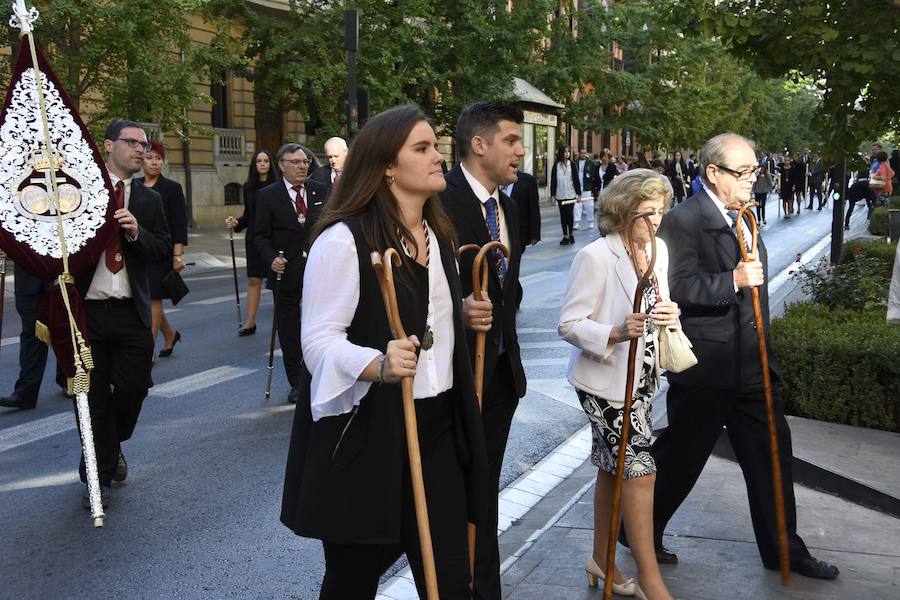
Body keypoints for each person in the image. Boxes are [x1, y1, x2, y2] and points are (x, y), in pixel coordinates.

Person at [280, 104, 489, 600]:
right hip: (370, 433)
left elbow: (425, 311)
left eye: (434, 146)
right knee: (353, 579)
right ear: (386, 166)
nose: (438, 156)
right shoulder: (343, 239)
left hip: (437, 426)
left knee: (451, 578)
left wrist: (459, 313)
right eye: (422, 148)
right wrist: (377, 364)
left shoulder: (437, 236)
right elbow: (319, 341)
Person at [646, 132, 839, 580]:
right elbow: (675, 288)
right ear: (713, 173)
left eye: (755, 170)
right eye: (742, 172)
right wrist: (730, 279)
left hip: (753, 366)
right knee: (681, 457)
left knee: (772, 456)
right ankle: (638, 527)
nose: (753, 179)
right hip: (708, 367)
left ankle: (785, 552)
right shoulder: (683, 220)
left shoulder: (746, 214)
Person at [559, 169, 680, 600]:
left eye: (660, 212)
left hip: (643, 378)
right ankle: (650, 579)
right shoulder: (595, 256)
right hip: (603, 382)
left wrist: (670, 313)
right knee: (640, 471)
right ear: (623, 213)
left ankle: (602, 562)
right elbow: (569, 324)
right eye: (646, 214)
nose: (655, 222)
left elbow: (660, 301)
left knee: (613, 469)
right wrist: (613, 331)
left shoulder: (657, 250)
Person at [441, 101, 528, 599]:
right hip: (454, 378)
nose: (520, 151)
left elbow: (506, 291)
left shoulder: (509, 206)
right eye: (511, 140)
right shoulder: (441, 200)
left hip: (499, 377)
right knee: (454, 493)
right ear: (480, 144)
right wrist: (458, 309)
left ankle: (484, 588)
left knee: (485, 491)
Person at [75, 120, 171, 508]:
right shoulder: (80, 192)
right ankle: (97, 477)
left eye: (144, 144)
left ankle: (109, 445)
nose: (140, 150)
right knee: (92, 397)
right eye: (132, 142)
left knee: (134, 389)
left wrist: (136, 233)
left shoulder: (149, 201)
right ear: (108, 145)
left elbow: (163, 251)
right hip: (87, 312)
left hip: (131, 312)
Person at [254, 143, 328, 404]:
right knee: (289, 329)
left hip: (318, 272)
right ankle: (296, 381)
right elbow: (259, 236)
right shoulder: (268, 196)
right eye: (295, 162)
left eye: (305, 161)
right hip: (285, 272)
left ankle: (320, 375)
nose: (302, 166)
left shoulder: (321, 191)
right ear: (282, 165)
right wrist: (271, 258)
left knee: (320, 326)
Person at [137, 140, 187, 357]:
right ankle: (170, 334)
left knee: (153, 298)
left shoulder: (172, 188)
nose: (154, 162)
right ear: (141, 161)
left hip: (161, 251)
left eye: (158, 158)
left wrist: (177, 256)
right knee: (147, 298)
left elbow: (179, 224)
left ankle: (147, 351)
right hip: (138, 250)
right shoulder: (134, 185)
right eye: (149, 158)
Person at [225, 149, 278, 336]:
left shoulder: (278, 185)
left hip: (274, 238)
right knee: (254, 279)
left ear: (270, 164)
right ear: (254, 165)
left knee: (276, 282)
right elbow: (249, 215)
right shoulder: (249, 187)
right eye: (259, 161)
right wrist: (236, 223)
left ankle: (281, 320)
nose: (262, 164)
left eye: (265, 160)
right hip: (254, 239)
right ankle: (250, 322)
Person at [0, 265, 51, 410]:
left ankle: (68, 380)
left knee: (66, 329)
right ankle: (25, 394)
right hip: (28, 276)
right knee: (31, 332)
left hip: (61, 274)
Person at [502, 169, 540, 308]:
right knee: (504, 266)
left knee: (512, 264)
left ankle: (513, 296)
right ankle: (512, 292)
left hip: (519, 233)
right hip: (499, 230)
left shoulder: (527, 180)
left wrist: (534, 234)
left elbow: (533, 208)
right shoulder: (495, 179)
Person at [550, 145, 581, 245]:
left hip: (571, 194)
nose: (567, 154)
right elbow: (553, 181)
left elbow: (576, 180)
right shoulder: (556, 165)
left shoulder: (572, 165)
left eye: (568, 152)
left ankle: (571, 234)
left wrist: (578, 194)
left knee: (570, 215)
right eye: (565, 152)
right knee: (563, 216)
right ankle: (565, 236)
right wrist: (552, 195)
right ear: (561, 153)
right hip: (560, 195)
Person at [574, 147, 596, 230]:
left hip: (587, 187)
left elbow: (594, 176)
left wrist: (593, 188)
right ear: (579, 153)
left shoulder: (591, 163)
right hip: (577, 188)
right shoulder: (575, 163)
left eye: (585, 153)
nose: (583, 154)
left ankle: (591, 221)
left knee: (589, 205)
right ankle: (577, 222)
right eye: (582, 153)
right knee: (577, 206)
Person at [751, 152, 772, 225]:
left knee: (763, 206)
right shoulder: (757, 175)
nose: (762, 170)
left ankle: (763, 218)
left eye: (763, 168)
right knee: (757, 206)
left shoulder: (767, 175)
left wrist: (769, 189)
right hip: (757, 191)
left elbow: (770, 183)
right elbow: (754, 182)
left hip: (764, 191)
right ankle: (758, 219)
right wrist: (752, 190)